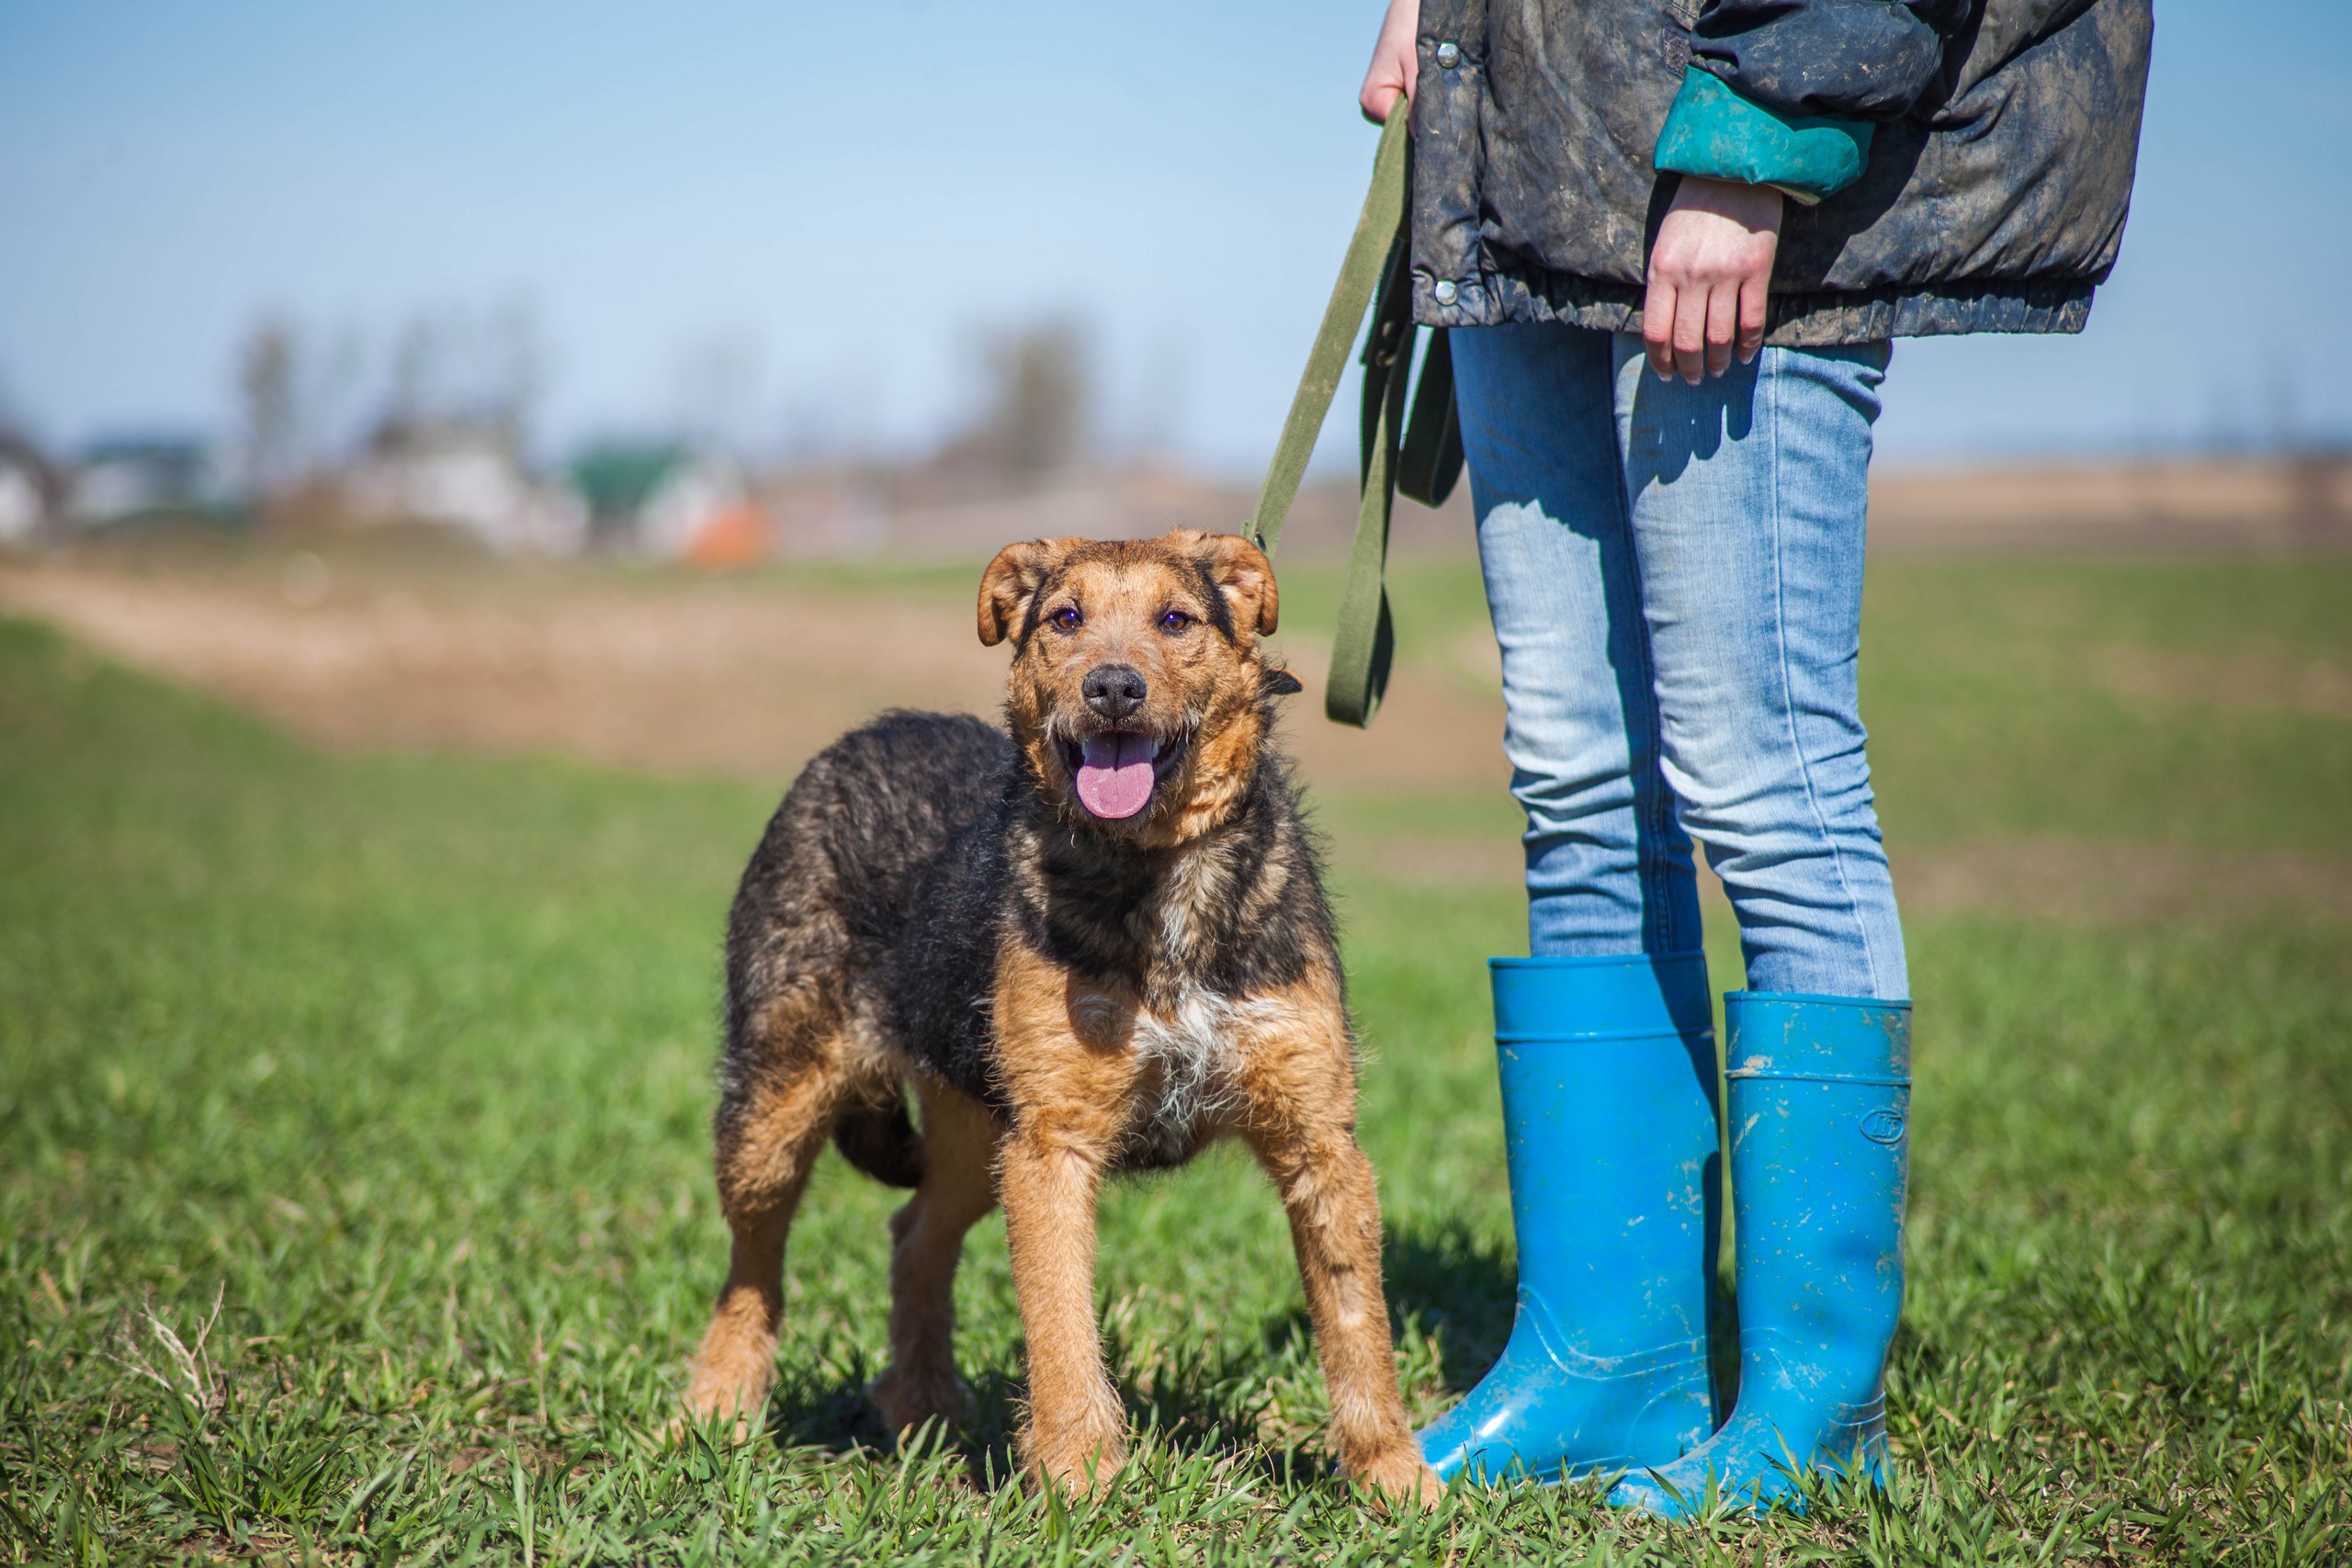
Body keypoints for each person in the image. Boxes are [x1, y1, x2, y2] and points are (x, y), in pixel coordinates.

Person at [1355, 0, 2152, 1515]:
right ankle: (1608, 1365)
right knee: (1577, 778)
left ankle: (1816, 1409)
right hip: (1522, 167)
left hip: (1735, 173)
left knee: (1760, 780)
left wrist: (1756, 142)